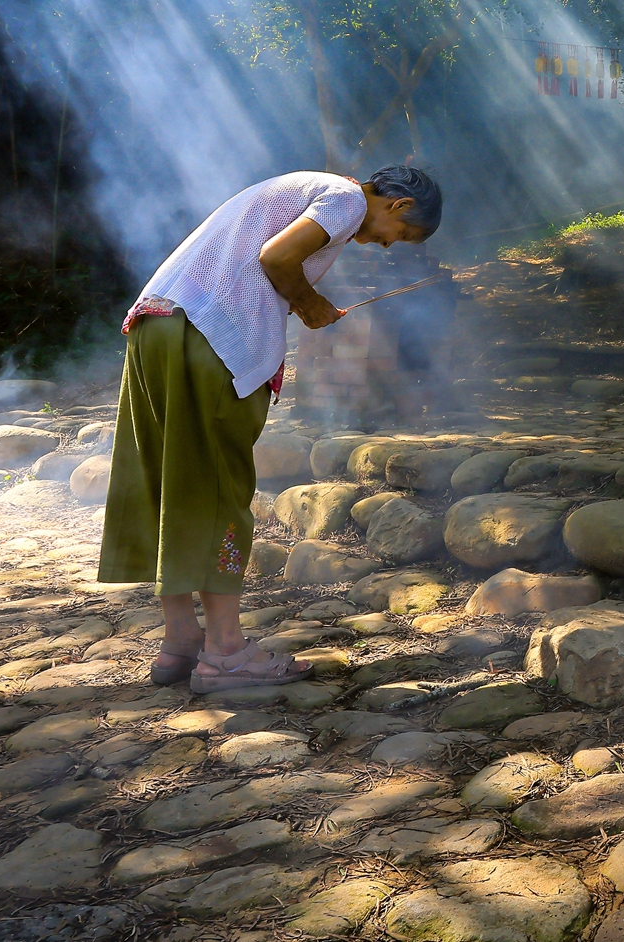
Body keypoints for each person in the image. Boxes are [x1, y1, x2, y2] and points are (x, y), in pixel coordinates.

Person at [99, 166, 444, 691]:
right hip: (205, 337)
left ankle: (180, 640)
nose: (389, 246)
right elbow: (277, 257)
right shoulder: (347, 199)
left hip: (158, 324)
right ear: (397, 206)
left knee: (170, 483)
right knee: (217, 488)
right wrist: (308, 305)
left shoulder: (309, 186)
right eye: (404, 236)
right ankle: (226, 653)